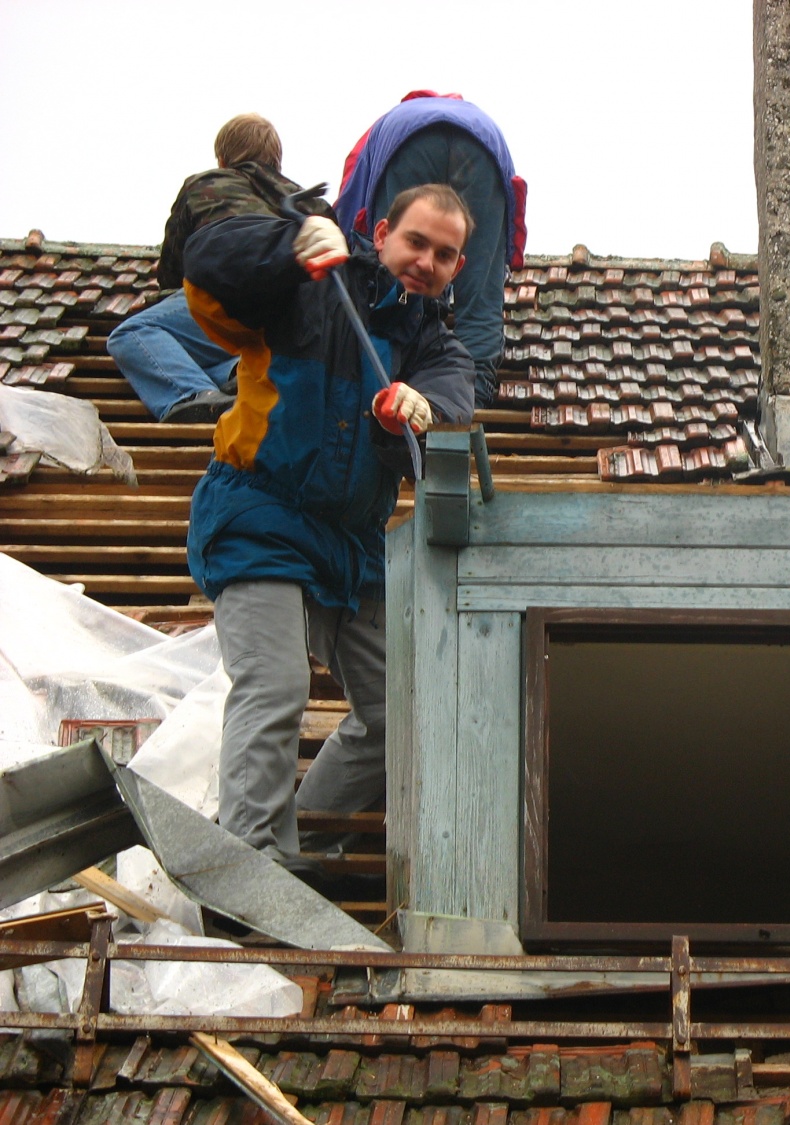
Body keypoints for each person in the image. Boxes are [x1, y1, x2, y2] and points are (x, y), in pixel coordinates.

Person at [182, 183, 476, 886]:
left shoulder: (430, 341)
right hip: (262, 514)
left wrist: (424, 403)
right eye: (416, 242)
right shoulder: (311, 286)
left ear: (458, 267)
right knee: (276, 685)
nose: (426, 261)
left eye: (445, 253)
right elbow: (206, 265)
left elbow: (457, 388)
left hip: (352, 546)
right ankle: (247, 871)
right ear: (380, 233)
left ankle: (304, 845)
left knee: (397, 709)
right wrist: (286, 245)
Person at [107, 114, 333, 423]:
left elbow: (176, 267)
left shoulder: (206, 184)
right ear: (276, 161)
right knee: (219, 350)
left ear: (223, 158)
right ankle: (234, 375)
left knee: (133, 332)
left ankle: (191, 394)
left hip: (229, 301)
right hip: (295, 319)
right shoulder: (306, 201)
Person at [336, 91, 525, 409]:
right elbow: (487, 267)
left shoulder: (386, 125)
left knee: (393, 277)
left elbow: (353, 218)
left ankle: (393, 376)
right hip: (485, 147)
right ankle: (473, 397)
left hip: (408, 145)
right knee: (479, 295)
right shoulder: (472, 118)